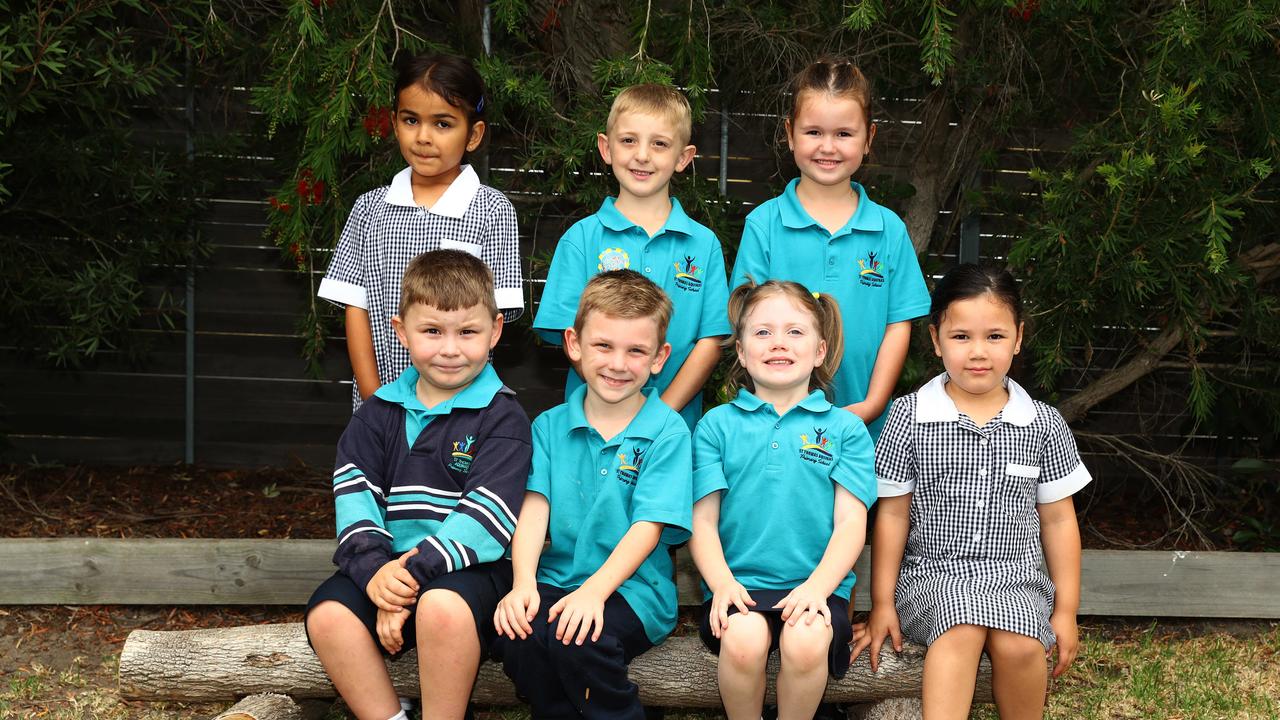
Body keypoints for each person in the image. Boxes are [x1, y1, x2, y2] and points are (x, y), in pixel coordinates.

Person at [851, 264, 1091, 719]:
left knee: (1021, 646)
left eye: (995, 337)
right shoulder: (909, 415)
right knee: (960, 631)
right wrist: (881, 603)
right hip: (932, 576)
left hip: (1016, 579)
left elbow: (1059, 520)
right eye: (961, 337)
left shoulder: (1042, 423)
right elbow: (893, 515)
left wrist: (1066, 610)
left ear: (1018, 339)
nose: (978, 352)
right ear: (936, 339)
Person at [305, 250, 532, 720]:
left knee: (441, 608)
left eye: (467, 332)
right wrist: (375, 576)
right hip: (388, 570)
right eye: (432, 331)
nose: (450, 348)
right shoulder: (377, 414)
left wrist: (406, 581)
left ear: (495, 332)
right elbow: (355, 499)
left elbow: (486, 520)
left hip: (471, 574)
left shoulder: (503, 417)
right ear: (400, 330)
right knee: (328, 616)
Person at [495, 270, 694, 719]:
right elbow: (534, 508)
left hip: (633, 590)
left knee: (578, 637)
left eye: (636, 351)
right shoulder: (548, 426)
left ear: (659, 358)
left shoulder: (666, 432)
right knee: (518, 634)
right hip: (557, 578)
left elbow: (649, 527)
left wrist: (594, 594)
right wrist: (523, 583)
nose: (618, 364)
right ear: (574, 344)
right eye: (604, 345)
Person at [690, 280, 876, 720]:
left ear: (819, 351)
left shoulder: (846, 430)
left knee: (808, 639)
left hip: (816, 586)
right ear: (740, 351)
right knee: (743, 641)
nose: (778, 343)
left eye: (795, 332)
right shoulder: (716, 427)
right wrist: (720, 584)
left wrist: (817, 588)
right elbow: (703, 520)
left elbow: (852, 522)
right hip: (738, 584)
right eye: (762, 332)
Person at [731, 58, 930, 439]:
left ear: (869, 138)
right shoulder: (765, 224)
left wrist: (872, 404)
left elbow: (897, 325)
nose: (827, 147)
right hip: (776, 421)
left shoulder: (888, 229)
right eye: (813, 132)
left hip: (866, 424)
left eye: (843, 134)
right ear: (790, 134)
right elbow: (745, 321)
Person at [319, 52, 523, 408]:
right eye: (411, 120)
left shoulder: (492, 210)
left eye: (443, 124)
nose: (424, 137)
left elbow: (490, 322)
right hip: (379, 400)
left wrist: (454, 403)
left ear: (473, 135)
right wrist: (375, 401)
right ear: (394, 123)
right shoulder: (370, 209)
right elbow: (356, 309)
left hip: (462, 408)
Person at [533, 83, 731, 429]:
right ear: (605, 148)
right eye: (629, 141)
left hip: (674, 426)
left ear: (683, 157)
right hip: (593, 425)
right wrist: (615, 398)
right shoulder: (581, 239)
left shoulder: (704, 244)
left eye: (659, 143)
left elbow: (711, 341)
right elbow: (571, 334)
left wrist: (661, 416)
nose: (642, 155)